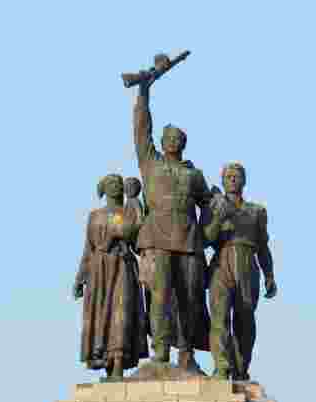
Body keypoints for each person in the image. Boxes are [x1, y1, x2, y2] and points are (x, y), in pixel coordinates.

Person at [132, 75, 213, 371]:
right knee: (160, 296)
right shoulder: (150, 162)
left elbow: (210, 204)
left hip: (189, 240)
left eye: (178, 139)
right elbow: (142, 130)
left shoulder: (195, 174)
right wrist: (143, 93)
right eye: (169, 138)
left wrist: (208, 231)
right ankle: (162, 350)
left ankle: (187, 352)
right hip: (156, 238)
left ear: (184, 144)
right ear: (163, 142)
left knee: (190, 299)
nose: (173, 142)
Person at [202, 163, 277, 380]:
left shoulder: (256, 211)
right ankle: (222, 366)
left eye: (236, 176)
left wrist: (269, 275)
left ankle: (241, 367)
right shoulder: (214, 206)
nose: (232, 179)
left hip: (247, 263)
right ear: (223, 181)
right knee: (219, 316)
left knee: (245, 319)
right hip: (221, 262)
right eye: (228, 176)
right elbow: (205, 238)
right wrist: (218, 218)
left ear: (244, 181)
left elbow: (263, 246)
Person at [73, 173, 149, 378]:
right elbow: (88, 249)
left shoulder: (129, 211)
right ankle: (105, 359)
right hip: (99, 269)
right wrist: (80, 278)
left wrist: (135, 208)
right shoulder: (95, 215)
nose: (115, 186)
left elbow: (138, 238)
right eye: (110, 183)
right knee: (101, 314)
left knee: (121, 310)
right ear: (103, 189)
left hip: (122, 265)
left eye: (118, 183)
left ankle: (118, 361)